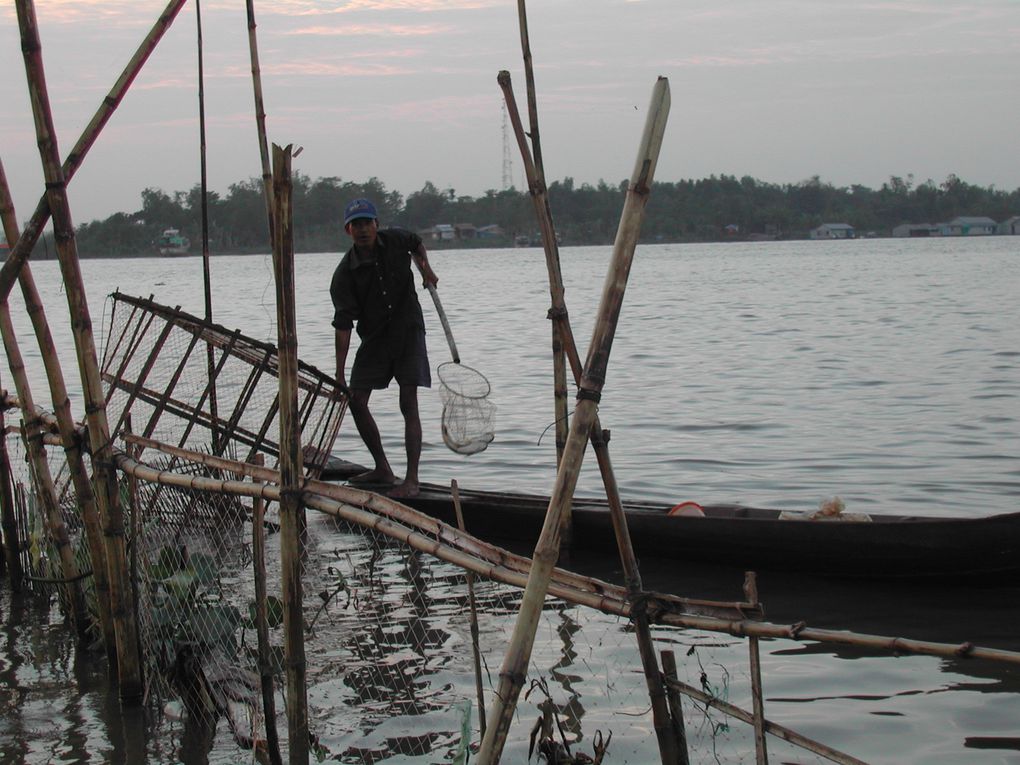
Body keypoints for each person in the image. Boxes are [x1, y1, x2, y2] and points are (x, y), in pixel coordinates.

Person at [330, 198, 439, 498]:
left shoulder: (396, 239)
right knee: (356, 399)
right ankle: (383, 468)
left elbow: (416, 244)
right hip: (375, 338)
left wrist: (425, 269)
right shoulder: (344, 274)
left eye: (367, 223)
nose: (363, 230)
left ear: (377, 224)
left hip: (407, 331)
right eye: (356, 225)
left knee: (408, 402)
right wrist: (339, 373)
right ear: (348, 231)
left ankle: (412, 480)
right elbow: (343, 325)